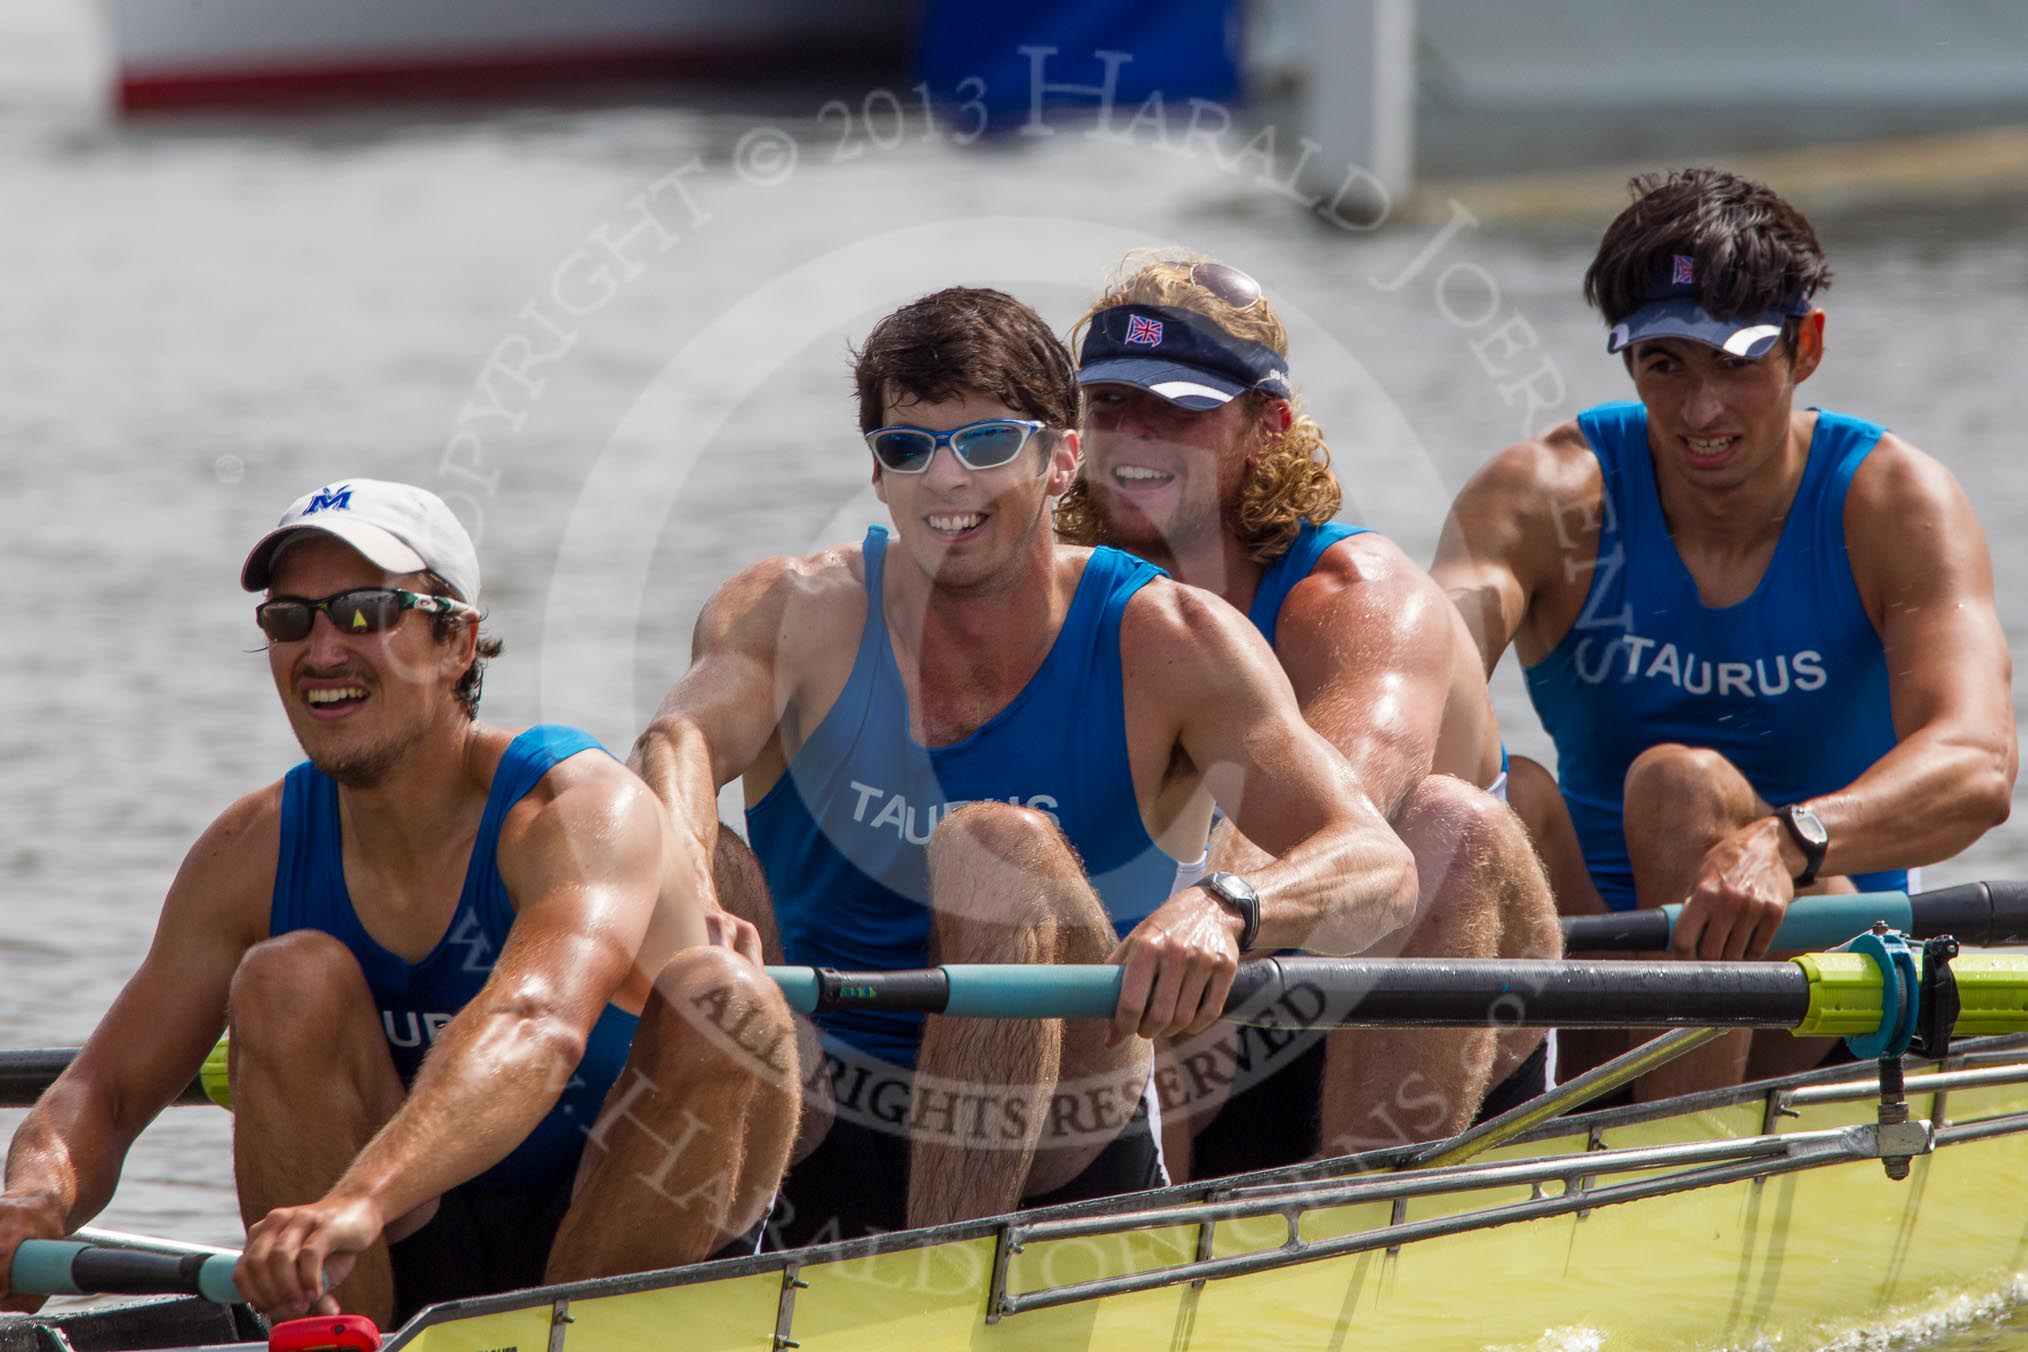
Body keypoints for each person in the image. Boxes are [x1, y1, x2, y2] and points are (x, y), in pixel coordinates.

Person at [629, 286, 1419, 1246]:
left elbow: (1379, 867)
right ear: (877, 474)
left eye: (988, 444)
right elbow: (674, 743)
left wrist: (1228, 908)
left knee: (995, 846)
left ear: (1063, 460)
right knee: (685, 847)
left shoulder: (1172, 639)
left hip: (1064, 1129)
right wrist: (688, 883)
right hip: (823, 1105)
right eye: (909, 448)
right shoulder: (792, 611)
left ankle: (948, 1275)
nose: (946, 480)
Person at [0, 479, 798, 1326]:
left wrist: (358, 1201)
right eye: (290, 620)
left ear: (457, 642)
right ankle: (335, 1332)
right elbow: (106, 1091)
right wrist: (34, 1199)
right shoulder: (249, 851)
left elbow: (538, 1026)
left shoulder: (577, 809)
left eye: (364, 613)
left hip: (634, 1227)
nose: (322, 651)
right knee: (283, 979)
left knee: (725, 999)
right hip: (408, 1242)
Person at [1433, 167, 2015, 1096]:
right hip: (1597, 969)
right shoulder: (1544, 498)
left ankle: (1677, 1142)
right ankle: (1387, 1154)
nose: (1701, 411)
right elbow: (1421, 685)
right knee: (1485, 799)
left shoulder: (1893, 503)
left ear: (1805, 347)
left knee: (1681, 785)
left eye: (1737, 363)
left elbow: (1978, 770)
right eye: (1665, 365)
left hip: (1823, 979)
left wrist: (1788, 842)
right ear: (1628, 360)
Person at [1056, 252, 1564, 1179]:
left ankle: (1369, 1223)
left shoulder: (1361, 599)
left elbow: (1344, 837)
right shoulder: (1068, 597)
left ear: (1269, 426)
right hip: (1209, 1023)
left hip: (1413, 1002)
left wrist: (1203, 909)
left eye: (1180, 408)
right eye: (1111, 404)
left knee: (1449, 824)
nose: (1137, 434)